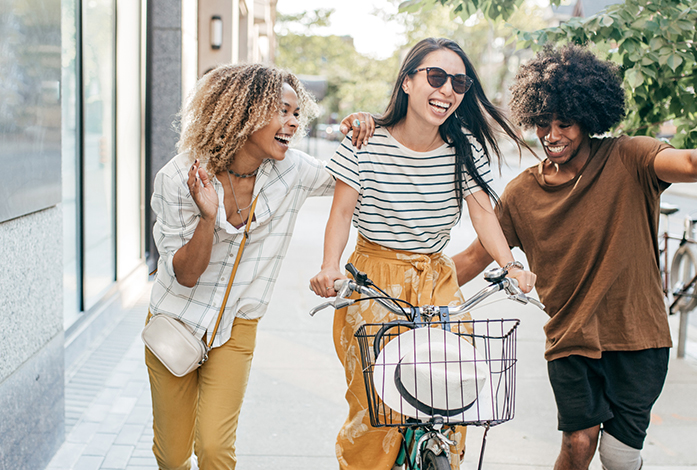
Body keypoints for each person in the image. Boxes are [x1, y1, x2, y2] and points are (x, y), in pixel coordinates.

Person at [452, 44, 697, 470]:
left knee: (618, 456)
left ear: (589, 118)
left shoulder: (629, 157)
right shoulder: (522, 194)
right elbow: (473, 257)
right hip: (570, 338)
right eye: (543, 124)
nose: (552, 136)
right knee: (578, 444)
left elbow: (689, 164)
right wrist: (411, 283)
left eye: (565, 124)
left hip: (639, 337)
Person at [309, 37, 537, 470]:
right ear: (409, 82)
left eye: (459, 82)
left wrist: (510, 266)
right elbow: (340, 215)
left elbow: (484, 214)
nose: (448, 90)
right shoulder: (365, 142)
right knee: (376, 409)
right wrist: (328, 269)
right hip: (372, 281)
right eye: (436, 76)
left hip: (436, 280)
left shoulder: (463, 147)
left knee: (454, 396)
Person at [146, 63, 373, 470]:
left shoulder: (292, 170)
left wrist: (366, 127)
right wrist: (207, 218)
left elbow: (351, 177)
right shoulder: (180, 177)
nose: (293, 122)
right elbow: (186, 274)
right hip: (176, 321)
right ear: (243, 111)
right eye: (281, 111)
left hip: (237, 325)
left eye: (296, 112)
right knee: (172, 455)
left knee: (215, 449)